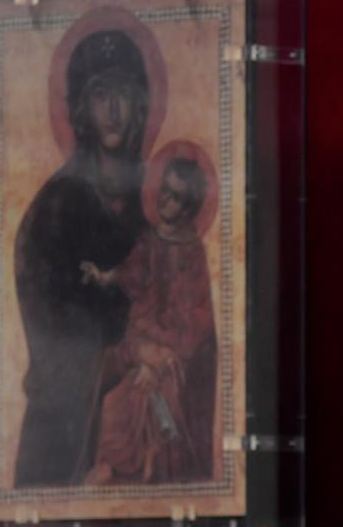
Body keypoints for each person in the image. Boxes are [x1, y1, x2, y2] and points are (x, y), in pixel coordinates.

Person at [13, 28, 149, 486]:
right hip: (68, 418)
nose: (113, 110)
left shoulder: (158, 197)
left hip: (140, 396)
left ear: (141, 105)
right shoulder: (57, 206)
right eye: (100, 94)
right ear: (81, 110)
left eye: (124, 95)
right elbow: (51, 324)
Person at [79, 155, 217, 484]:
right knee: (107, 391)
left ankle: (134, 462)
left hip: (173, 351)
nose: (166, 201)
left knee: (134, 399)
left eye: (177, 197)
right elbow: (131, 272)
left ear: (190, 208)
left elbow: (198, 315)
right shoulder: (150, 239)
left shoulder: (193, 251)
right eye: (164, 191)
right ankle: (113, 463)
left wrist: (161, 357)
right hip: (139, 341)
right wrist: (103, 276)